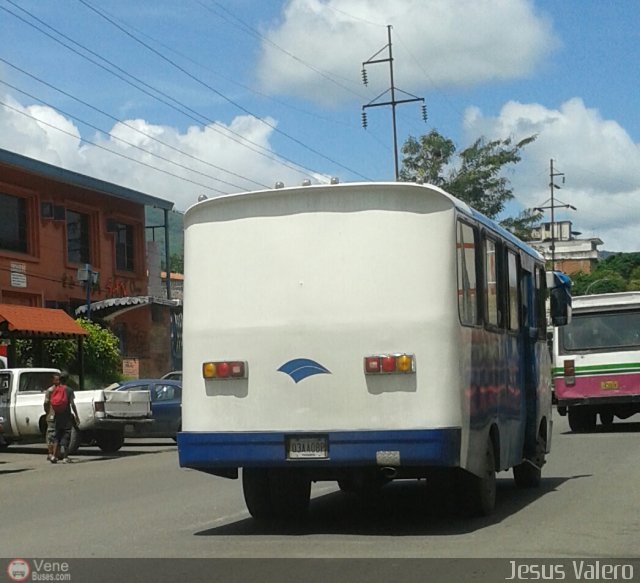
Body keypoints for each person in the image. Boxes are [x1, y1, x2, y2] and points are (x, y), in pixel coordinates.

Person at [43, 373, 79, 464]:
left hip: (57, 416)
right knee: (66, 435)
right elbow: (72, 404)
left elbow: (47, 403)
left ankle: (54, 456)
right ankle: (65, 457)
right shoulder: (69, 390)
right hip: (66, 416)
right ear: (67, 379)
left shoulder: (54, 389)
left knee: (57, 436)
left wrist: (48, 413)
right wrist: (76, 415)